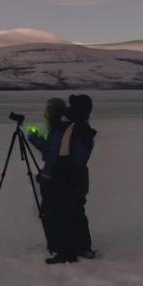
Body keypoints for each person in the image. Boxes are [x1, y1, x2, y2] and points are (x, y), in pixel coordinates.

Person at [27, 98, 69, 260]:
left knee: (52, 212)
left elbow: (52, 154)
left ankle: (58, 246)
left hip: (55, 179)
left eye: (48, 109)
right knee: (53, 212)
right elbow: (49, 148)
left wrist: (45, 176)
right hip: (60, 177)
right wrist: (36, 138)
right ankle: (58, 245)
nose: (46, 112)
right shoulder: (60, 129)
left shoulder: (58, 130)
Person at [64, 94, 98, 261]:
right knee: (73, 210)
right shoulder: (78, 127)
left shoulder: (81, 131)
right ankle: (76, 244)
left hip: (74, 177)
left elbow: (74, 157)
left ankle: (83, 246)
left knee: (76, 210)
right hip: (76, 176)